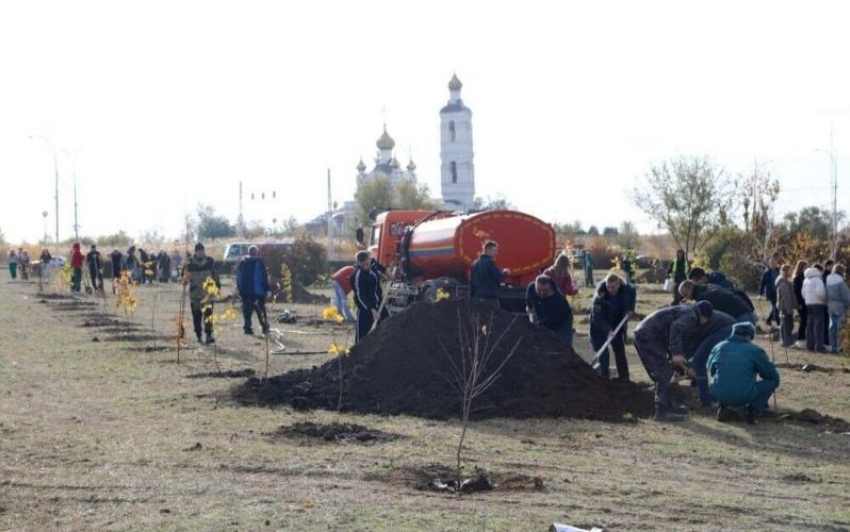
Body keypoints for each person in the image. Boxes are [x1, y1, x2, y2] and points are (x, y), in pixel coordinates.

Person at [633, 301, 713, 422]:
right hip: (649, 336)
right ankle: (661, 412)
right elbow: (676, 328)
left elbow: (671, 332)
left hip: (643, 334)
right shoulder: (691, 315)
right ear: (704, 316)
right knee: (664, 373)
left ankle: (668, 405)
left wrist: (681, 362)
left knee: (664, 372)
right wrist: (676, 353)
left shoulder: (685, 310)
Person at [708, 322, 780, 424]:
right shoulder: (754, 350)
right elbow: (771, 376)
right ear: (749, 336)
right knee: (771, 382)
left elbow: (711, 370)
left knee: (724, 379)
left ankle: (723, 407)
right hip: (744, 395)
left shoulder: (719, 346)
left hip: (717, 392)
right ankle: (752, 410)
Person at [685, 310, 737, 407]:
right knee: (703, 360)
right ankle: (712, 396)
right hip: (729, 325)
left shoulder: (686, 322)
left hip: (723, 329)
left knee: (699, 362)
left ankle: (706, 401)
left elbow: (692, 349)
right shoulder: (688, 316)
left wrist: (686, 366)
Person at [589, 273, 635, 381]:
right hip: (599, 329)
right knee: (603, 356)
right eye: (608, 286)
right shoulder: (599, 297)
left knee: (620, 352)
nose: (610, 289)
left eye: (613, 287)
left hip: (616, 325)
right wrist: (608, 330)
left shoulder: (627, 290)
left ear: (619, 284)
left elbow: (633, 293)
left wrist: (630, 309)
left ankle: (624, 379)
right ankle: (604, 380)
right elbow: (597, 319)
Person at [183, 243, 220, 344]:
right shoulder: (189, 263)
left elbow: (215, 275)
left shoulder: (210, 261)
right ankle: (198, 335)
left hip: (208, 293)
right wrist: (185, 280)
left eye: (202, 250)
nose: (201, 253)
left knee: (208, 315)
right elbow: (184, 277)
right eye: (199, 251)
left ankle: (208, 335)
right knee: (197, 315)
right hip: (195, 294)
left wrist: (217, 287)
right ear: (195, 252)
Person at [526, 275, 574, 349]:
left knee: (563, 346)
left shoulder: (558, 299)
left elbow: (552, 319)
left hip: (563, 321)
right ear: (535, 285)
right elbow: (529, 299)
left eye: (545, 290)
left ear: (550, 288)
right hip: (545, 316)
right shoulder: (531, 288)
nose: (541, 293)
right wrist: (529, 307)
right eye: (539, 290)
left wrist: (537, 324)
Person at [679, 280, 756, 325]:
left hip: (740, 317)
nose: (686, 298)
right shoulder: (711, 286)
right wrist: (751, 309)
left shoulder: (702, 298)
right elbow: (739, 292)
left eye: (685, 295)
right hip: (746, 312)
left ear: (689, 289)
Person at [351, 250, 385, 343]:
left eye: (367, 264)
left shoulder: (373, 265)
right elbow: (360, 297)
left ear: (369, 260)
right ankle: (358, 355)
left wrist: (389, 274)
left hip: (379, 303)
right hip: (365, 309)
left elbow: (378, 266)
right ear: (358, 264)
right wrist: (372, 310)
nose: (366, 267)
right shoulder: (357, 276)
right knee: (361, 337)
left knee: (388, 326)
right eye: (363, 265)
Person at [236, 245, 270, 335]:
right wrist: (267, 289)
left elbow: (238, 277)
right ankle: (265, 327)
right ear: (256, 252)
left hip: (245, 292)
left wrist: (240, 289)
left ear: (248, 252)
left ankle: (247, 329)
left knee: (247, 311)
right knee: (261, 311)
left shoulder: (242, 262)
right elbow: (264, 277)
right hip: (258, 291)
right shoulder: (259, 262)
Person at [801, 264, 827, 352]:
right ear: (819, 271)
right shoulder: (818, 280)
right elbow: (820, 292)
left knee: (810, 324)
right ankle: (819, 346)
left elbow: (803, 293)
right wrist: (824, 300)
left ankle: (810, 345)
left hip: (808, 303)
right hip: (818, 303)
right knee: (819, 325)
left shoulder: (806, 280)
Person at [826, 264, 850, 354]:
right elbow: (846, 297)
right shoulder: (841, 283)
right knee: (840, 328)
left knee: (832, 327)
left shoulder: (828, 282)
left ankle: (833, 347)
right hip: (840, 307)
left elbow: (826, 295)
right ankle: (840, 347)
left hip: (831, 306)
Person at [775, 264, 799, 349]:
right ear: (785, 272)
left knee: (788, 324)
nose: (792, 271)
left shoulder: (788, 281)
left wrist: (795, 306)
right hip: (785, 307)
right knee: (786, 325)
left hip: (787, 307)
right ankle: (787, 342)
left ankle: (787, 341)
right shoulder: (784, 283)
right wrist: (790, 309)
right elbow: (787, 297)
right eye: (790, 270)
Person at [759, 257, 780, 327]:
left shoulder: (779, 271)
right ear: (769, 264)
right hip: (771, 293)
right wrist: (760, 294)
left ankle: (768, 320)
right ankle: (778, 324)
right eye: (771, 263)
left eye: (774, 263)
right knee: (776, 308)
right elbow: (762, 283)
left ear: (776, 263)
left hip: (779, 292)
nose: (773, 264)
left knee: (775, 308)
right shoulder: (766, 273)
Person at [792, 260, 808, 347]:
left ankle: (802, 336)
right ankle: (800, 337)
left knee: (804, 320)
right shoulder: (798, 278)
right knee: (803, 320)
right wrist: (799, 303)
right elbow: (796, 292)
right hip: (801, 302)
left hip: (804, 302)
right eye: (805, 267)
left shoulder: (804, 277)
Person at [822, 260, 835, 348]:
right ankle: (826, 341)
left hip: (827, 301)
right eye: (832, 266)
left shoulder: (828, 275)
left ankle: (827, 341)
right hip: (826, 301)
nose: (832, 268)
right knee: (826, 321)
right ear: (827, 266)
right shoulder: (825, 276)